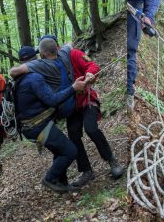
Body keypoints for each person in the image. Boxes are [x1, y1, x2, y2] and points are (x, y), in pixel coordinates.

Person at [10, 37, 124, 188]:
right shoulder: (43, 67)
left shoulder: (73, 54)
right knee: (74, 136)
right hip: (72, 107)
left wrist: (90, 74)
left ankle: (112, 160)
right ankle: (86, 171)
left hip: (86, 99)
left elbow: (92, 65)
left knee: (91, 128)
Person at [14, 46, 86, 193]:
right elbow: (52, 100)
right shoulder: (34, 78)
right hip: (39, 126)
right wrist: (73, 88)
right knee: (70, 151)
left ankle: (62, 183)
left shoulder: (18, 80)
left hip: (30, 127)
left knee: (60, 150)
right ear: (35, 59)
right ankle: (50, 179)